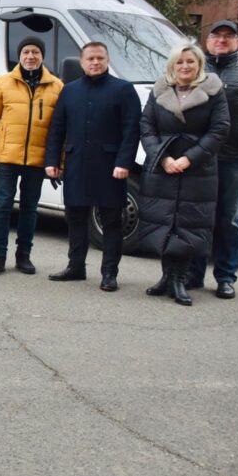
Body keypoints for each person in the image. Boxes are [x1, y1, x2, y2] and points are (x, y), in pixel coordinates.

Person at [136, 43, 229, 306]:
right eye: (180, 62)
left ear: (199, 65)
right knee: (164, 220)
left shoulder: (213, 91)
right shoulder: (160, 90)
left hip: (198, 168)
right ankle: (166, 276)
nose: (185, 66)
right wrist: (162, 158)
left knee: (188, 224)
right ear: (172, 65)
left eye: (190, 62)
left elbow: (220, 130)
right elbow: (146, 126)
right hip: (163, 165)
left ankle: (180, 280)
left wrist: (189, 158)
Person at [44, 42, 141, 290]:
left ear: (107, 60)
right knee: (75, 218)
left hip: (111, 168)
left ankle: (109, 273)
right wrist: (52, 160)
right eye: (90, 58)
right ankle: (76, 267)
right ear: (82, 61)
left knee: (111, 221)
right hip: (77, 164)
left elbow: (131, 131)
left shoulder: (123, 90)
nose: (95, 62)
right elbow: (57, 128)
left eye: (100, 58)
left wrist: (124, 162)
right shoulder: (70, 90)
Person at [186, 20, 238, 299]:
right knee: (198, 218)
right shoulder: (194, 67)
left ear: (237, 42)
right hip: (197, 159)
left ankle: (225, 277)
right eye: (216, 36)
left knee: (230, 221)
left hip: (234, 159)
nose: (221, 40)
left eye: (228, 36)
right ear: (207, 41)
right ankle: (193, 274)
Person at [0, 37, 63, 277]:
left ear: (42, 56)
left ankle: (23, 255)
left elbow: (60, 128)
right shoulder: (3, 82)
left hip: (37, 160)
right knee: (2, 206)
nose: (30, 56)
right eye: (26, 51)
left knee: (29, 208)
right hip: (6, 157)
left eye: (35, 52)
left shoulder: (56, 86)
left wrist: (56, 161)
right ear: (20, 55)